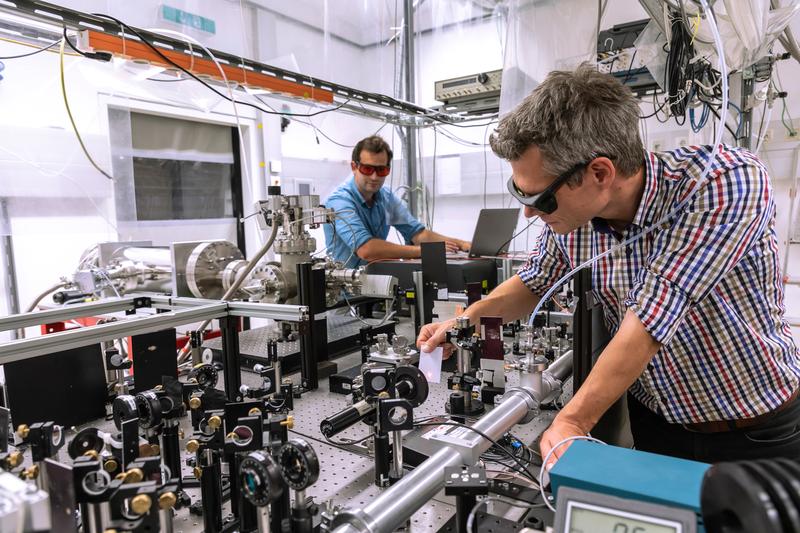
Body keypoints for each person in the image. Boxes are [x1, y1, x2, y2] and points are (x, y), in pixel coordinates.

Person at [416, 63, 800, 466]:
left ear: (599, 172)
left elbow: (654, 315)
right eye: (519, 192)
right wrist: (463, 323)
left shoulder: (723, 183)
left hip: (754, 431)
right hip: (658, 425)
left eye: (540, 199)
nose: (529, 215)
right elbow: (534, 280)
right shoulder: (575, 220)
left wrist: (571, 421)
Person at [324, 135, 470, 268]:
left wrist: (462, 244)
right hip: (346, 293)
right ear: (354, 167)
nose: (374, 177)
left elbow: (417, 234)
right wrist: (425, 251)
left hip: (376, 286)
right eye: (367, 169)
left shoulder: (385, 197)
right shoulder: (339, 202)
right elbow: (366, 250)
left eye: (381, 170)